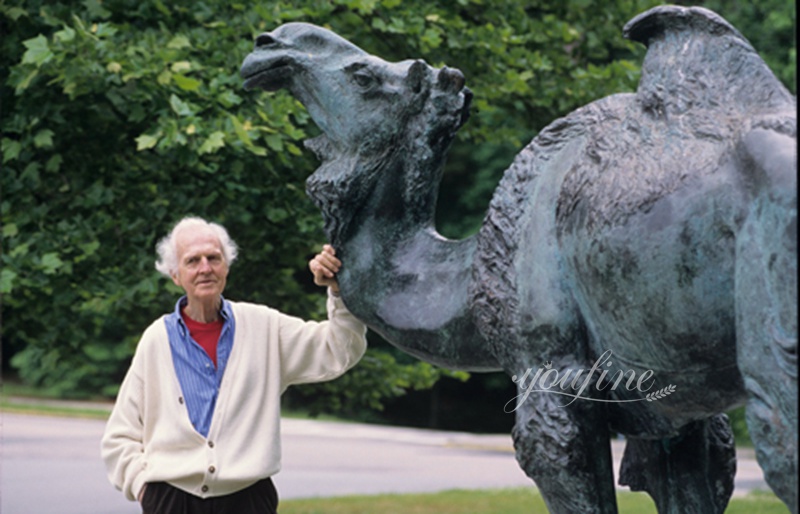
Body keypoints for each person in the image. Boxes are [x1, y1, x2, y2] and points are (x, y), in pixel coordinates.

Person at [101, 216, 367, 513]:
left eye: (214, 258)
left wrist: (339, 291)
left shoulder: (264, 327)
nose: (205, 268)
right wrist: (143, 488)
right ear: (175, 275)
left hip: (248, 500)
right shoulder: (156, 340)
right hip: (171, 500)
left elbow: (340, 349)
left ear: (226, 267)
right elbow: (119, 435)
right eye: (192, 261)